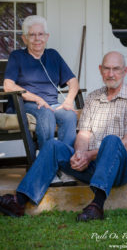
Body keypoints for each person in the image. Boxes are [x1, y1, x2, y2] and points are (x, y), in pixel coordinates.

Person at [0, 51, 127, 221]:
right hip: (92, 165)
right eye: (106, 69)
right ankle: (18, 202)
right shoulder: (93, 98)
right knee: (53, 145)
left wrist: (89, 155)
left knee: (112, 140)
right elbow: (84, 135)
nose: (111, 74)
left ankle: (97, 206)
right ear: (100, 70)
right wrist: (79, 154)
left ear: (125, 71)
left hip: (121, 169)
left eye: (116, 69)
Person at [4, 15, 79, 150]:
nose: (37, 39)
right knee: (45, 112)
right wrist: (37, 99)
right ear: (24, 38)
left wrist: (68, 101)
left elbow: (73, 81)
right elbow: (8, 86)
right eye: (32, 35)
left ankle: (64, 162)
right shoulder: (17, 56)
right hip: (25, 104)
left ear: (47, 37)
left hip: (52, 105)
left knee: (69, 115)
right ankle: (47, 162)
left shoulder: (53, 55)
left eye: (40, 34)